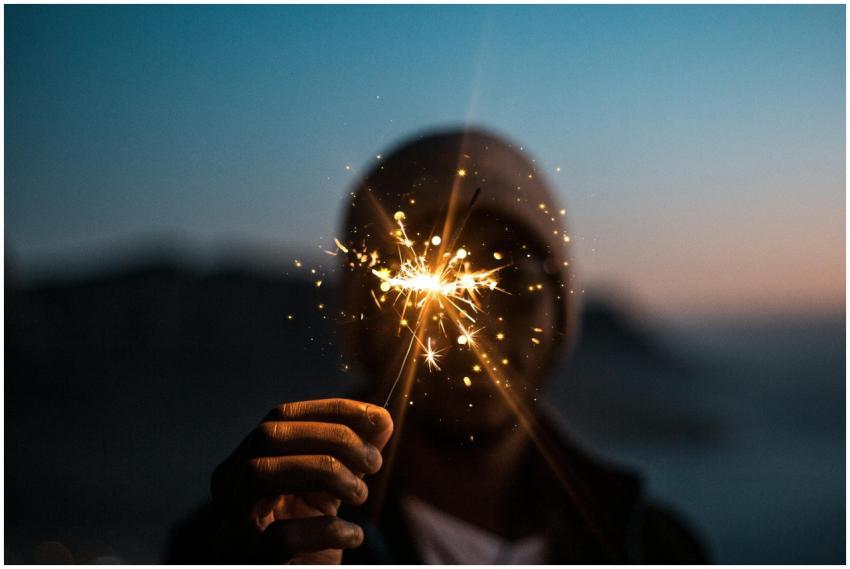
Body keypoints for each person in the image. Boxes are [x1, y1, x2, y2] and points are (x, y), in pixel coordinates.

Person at [166, 128, 706, 563]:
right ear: (364, 321)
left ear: (560, 310)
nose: (476, 319)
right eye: (421, 266)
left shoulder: (657, 549)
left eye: (510, 274)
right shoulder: (262, 536)